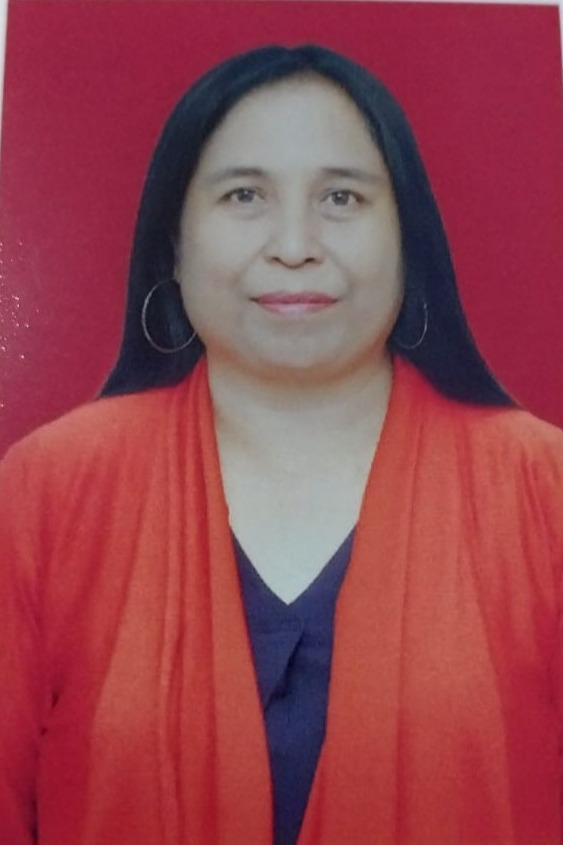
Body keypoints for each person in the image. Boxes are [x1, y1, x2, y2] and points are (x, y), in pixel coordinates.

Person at [0, 43, 562, 845]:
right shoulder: (48, 491)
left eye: (340, 197)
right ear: (174, 241)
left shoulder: (542, 492)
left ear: (408, 241)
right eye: (244, 195)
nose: (294, 244)